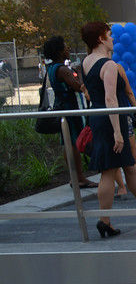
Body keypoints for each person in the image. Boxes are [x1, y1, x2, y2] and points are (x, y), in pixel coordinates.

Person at [80, 22, 136, 237]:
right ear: (101, 39)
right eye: (109, 35)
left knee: (127, 168)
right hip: (112, 120)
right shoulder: (108, 65)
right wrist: (118, 133)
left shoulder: (85, 62)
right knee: (109, 172)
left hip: (98, 118)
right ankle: (105, 221)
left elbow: (92, 94)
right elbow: (111, 99)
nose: (113, 39)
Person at [41, 36, 96, 189]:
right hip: (70, 110)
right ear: (58, 51)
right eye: (65, 47)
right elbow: (79, 86)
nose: (68, 49)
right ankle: (79, 178)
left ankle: (75, 177)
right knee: (74, 144)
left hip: (62, 108)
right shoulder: (63, 70)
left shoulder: (52, 68)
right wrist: (78, 71)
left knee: (68, 143)